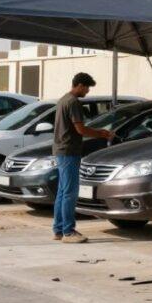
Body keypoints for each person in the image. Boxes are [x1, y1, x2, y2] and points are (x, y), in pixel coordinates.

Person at [52, 73, 115, 243]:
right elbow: (80, 129)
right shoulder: (73, 102)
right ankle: (68, 232)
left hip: (61, 150)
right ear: (80, 85)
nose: (87, 91)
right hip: (69, 151)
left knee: (62, 192)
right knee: (70, 193)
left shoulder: (63, 99)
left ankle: (59, 230)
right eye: (87, 88)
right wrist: (101, 133)